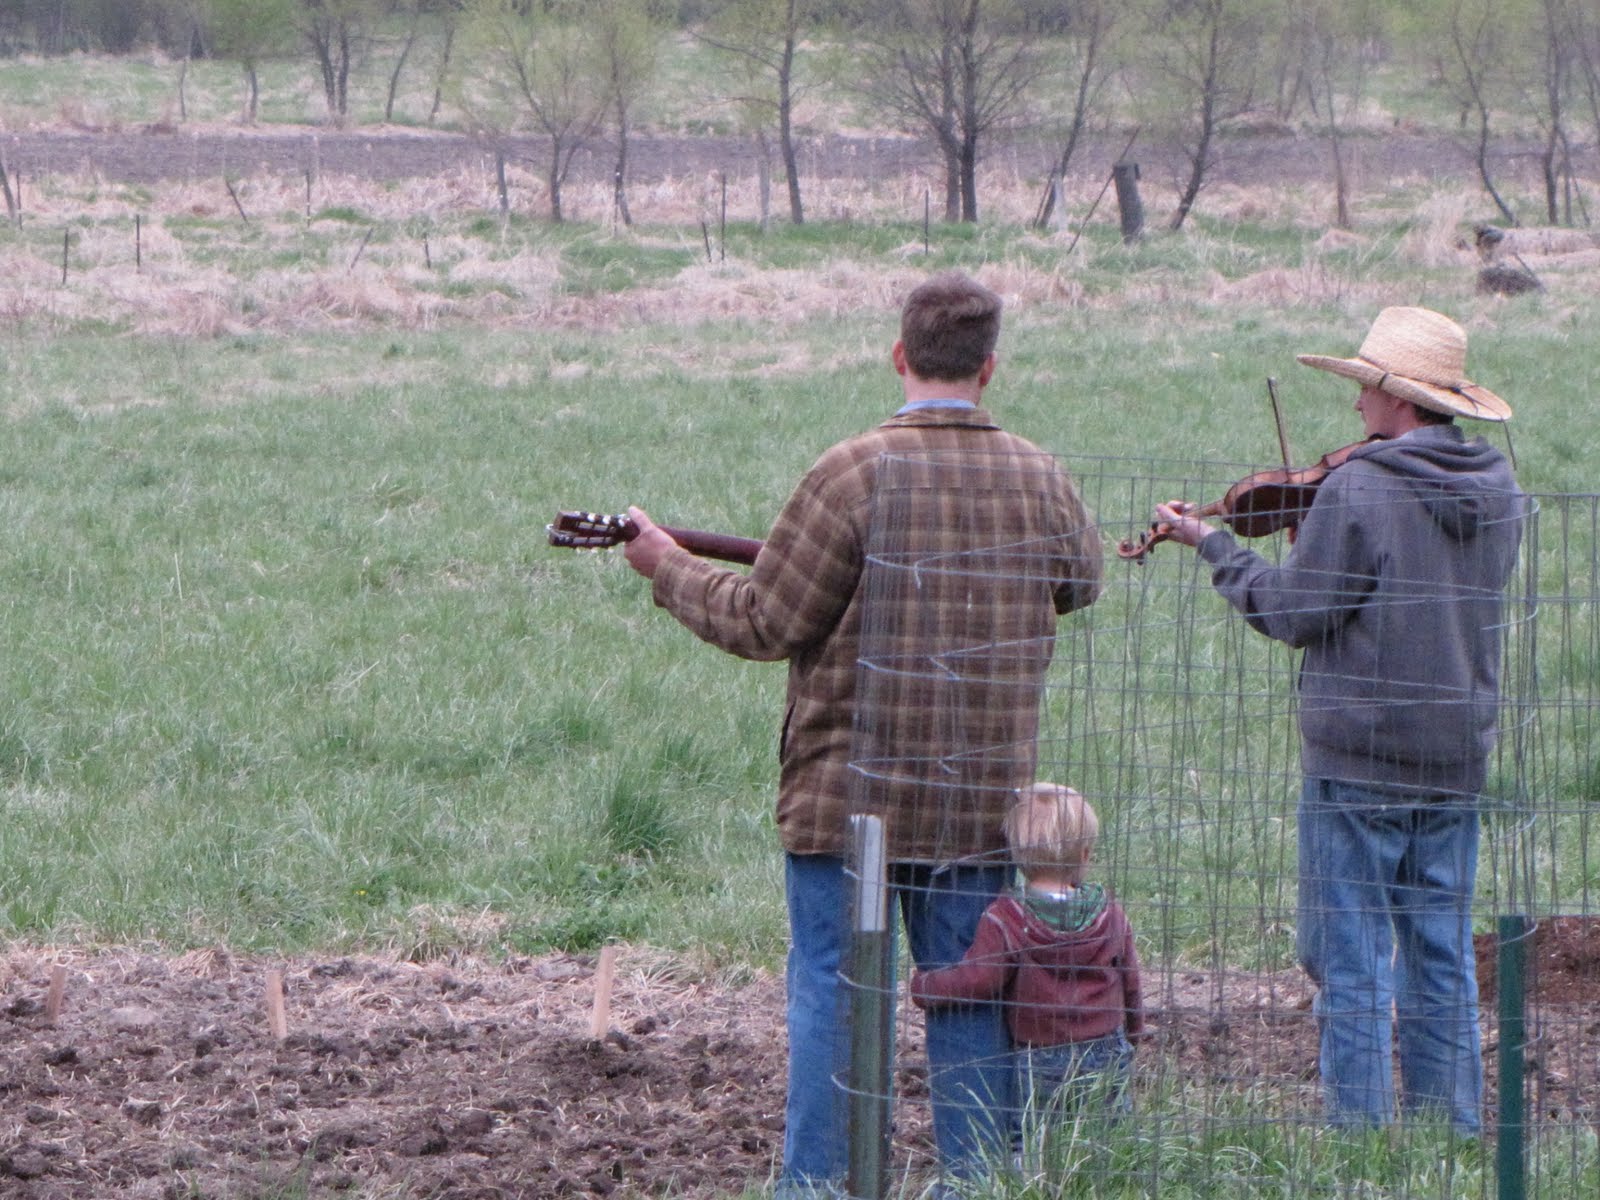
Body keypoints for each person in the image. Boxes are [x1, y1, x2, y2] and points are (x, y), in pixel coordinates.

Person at [621, 271, 1103, 1190]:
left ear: (899, 355)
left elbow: (766, 621)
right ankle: (976, 1183)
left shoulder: (851, 472)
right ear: (989, 368)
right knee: (969, 1002)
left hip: (849, 800)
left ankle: (820, 1187)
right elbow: (1082, 584)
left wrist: (667, 568)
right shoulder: (1040, 476)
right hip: (977, 798)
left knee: (836, 1004)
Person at [1151, 306, 1524, 1135]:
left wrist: (1212, 544)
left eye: (1364, 388)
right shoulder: (1498, 492)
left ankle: (1360, 1147)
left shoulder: (1359, 485)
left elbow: (1294, 612)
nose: (1356, 404)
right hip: (1455, 754)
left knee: (1349, 963)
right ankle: (1450, 1136)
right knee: (1442, 955)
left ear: (1398, 401)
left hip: (1358, 759)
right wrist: (1319, 535)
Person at [910, 783, 1144, 1145]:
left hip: (1040, 1058)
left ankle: (1031, 1183)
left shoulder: (1007, 917)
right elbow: (1130, 979)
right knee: (1109, 1133)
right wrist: (1133, 1031)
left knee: (1033, 1138)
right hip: (1106, 1048)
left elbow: (978, 979)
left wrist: (925, 986)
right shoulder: (1110, 914)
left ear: (1016, 857)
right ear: (1084, 854)